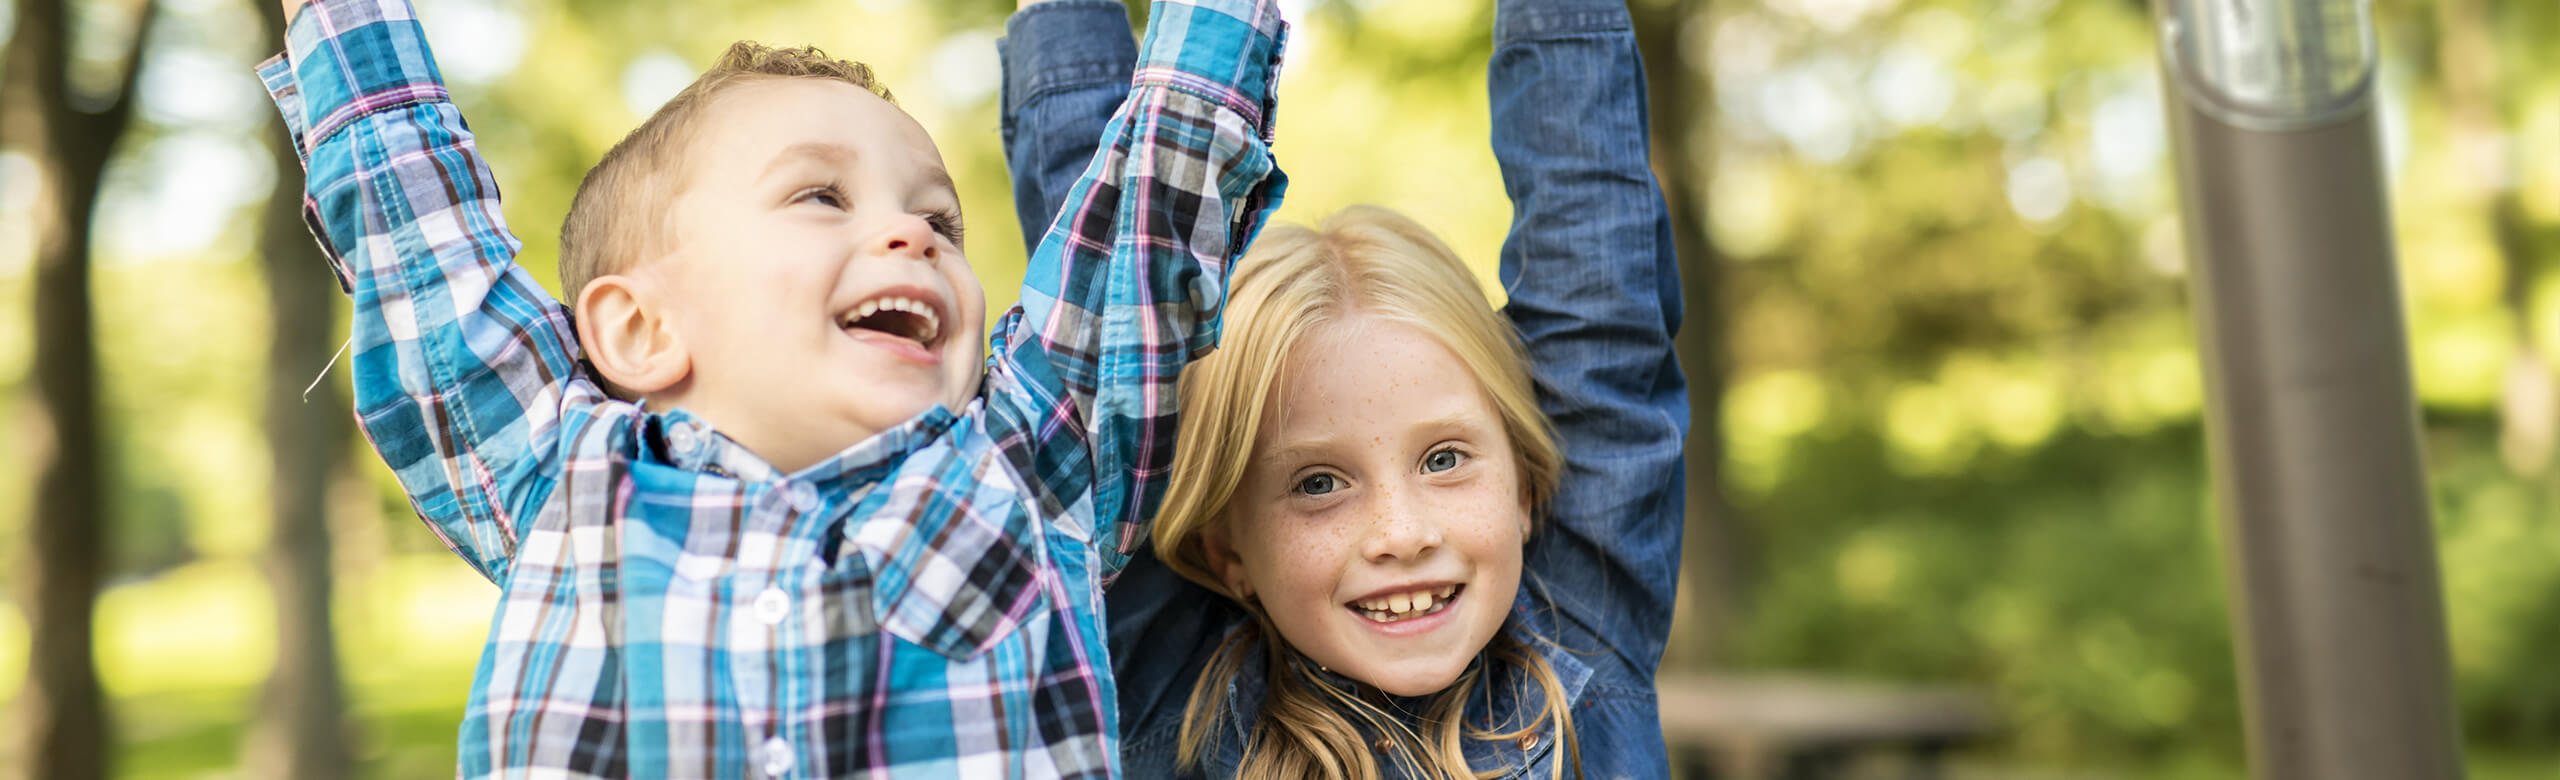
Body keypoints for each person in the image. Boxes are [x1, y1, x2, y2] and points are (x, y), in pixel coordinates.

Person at [258, 0, 1284, 774]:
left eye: (942, 219)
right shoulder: (566, 479)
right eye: (821, 196)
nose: (913, 232)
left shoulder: (1025, 467)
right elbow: (423, 247)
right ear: (641, 329)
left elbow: (1152, 205)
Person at [999, 0, 1686, 776]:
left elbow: (1600, 303)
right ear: (1227, 552)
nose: (1403, 534)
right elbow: (1114, 328)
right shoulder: (1178, 706)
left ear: (1525, 491)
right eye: (1318, 483)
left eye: (1444, 459)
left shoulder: (1580, 639)